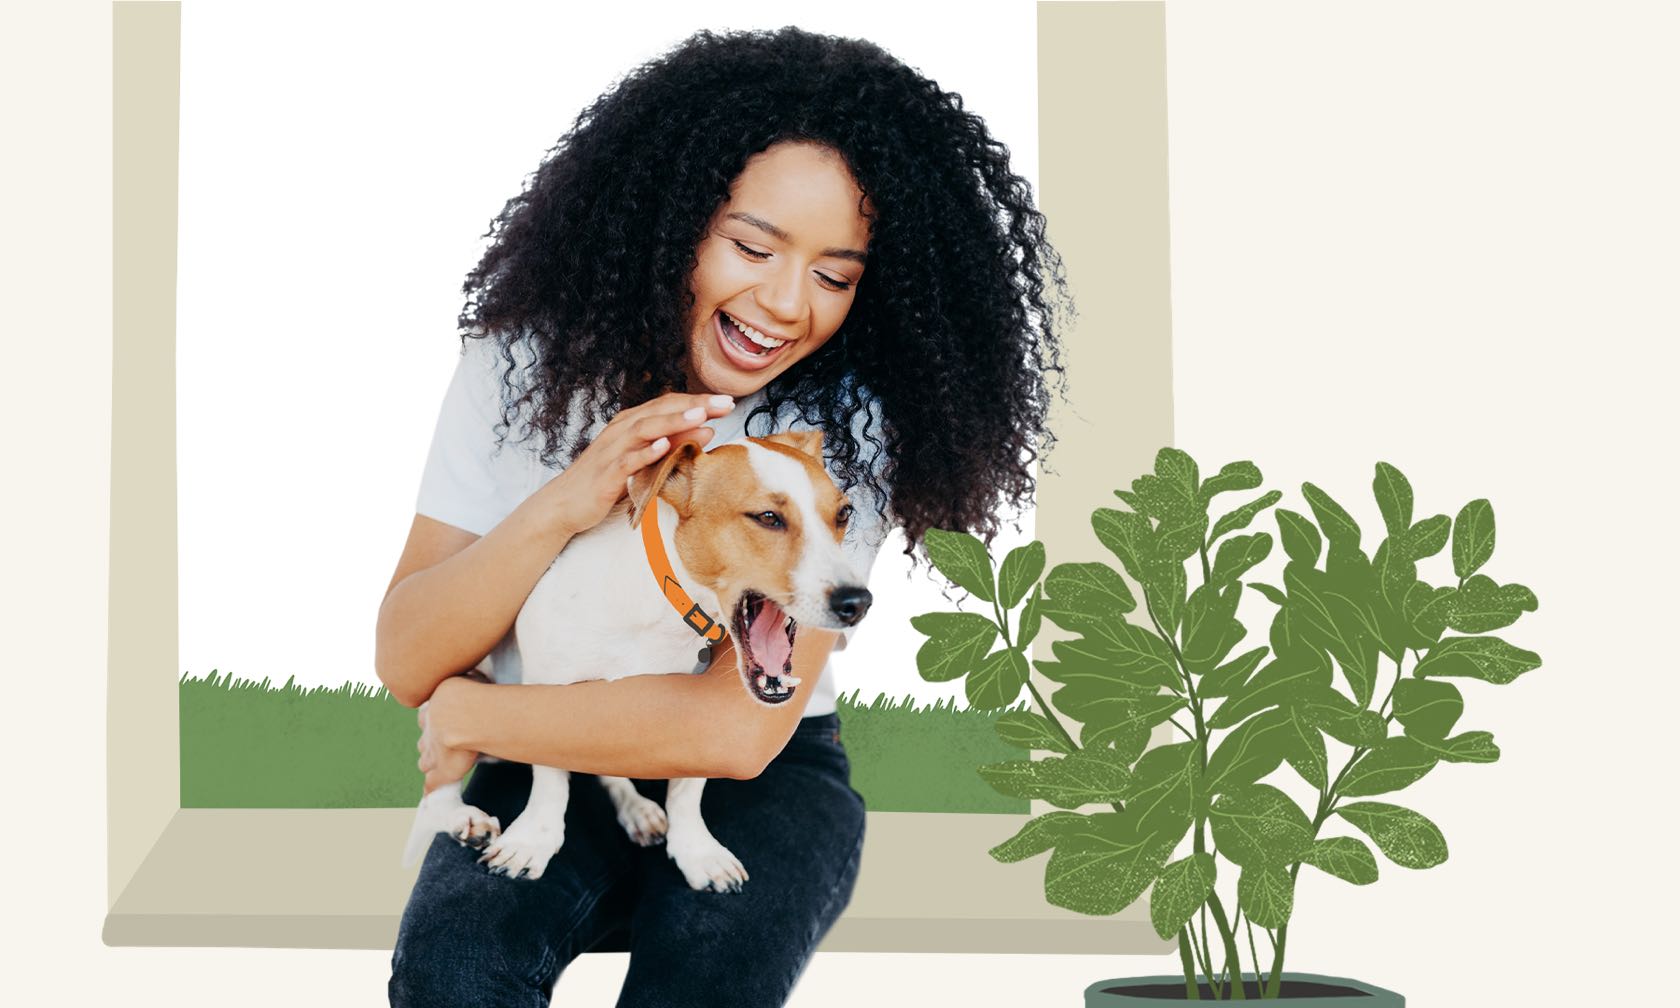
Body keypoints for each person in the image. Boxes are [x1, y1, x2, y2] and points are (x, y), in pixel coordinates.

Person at [379, 25, 1068, 1008]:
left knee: (704, 975)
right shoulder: (522, 366)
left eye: (836, 275)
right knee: (455, 971)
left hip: (756, 774)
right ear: (670, 217)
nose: (788, 303)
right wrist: (569, 500)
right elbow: (408, 654)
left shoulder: (844, 425)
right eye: (752, 245)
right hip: (553, 765)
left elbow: (736, 735)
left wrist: (475, 710)